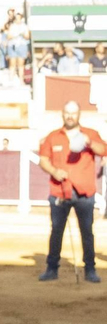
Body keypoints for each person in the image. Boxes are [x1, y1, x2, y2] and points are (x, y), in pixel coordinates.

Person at [37, 100, 104, 283]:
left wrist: (89, 143)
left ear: (79, 115)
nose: (70, 116)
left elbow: (103, 150)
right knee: (57, 230)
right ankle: (52, 268)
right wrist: (54, 171)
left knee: (87, 232)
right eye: (67, 112)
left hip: (84, 192)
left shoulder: (90, 134)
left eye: (73, 113)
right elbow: (43, 159)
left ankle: (90, 269)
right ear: (62, 114)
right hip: (60, 190)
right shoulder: (53, 136)